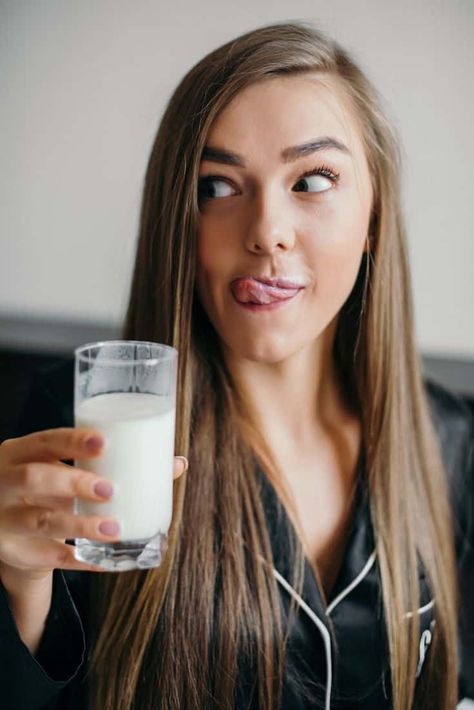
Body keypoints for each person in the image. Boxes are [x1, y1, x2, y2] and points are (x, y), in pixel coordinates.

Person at [0, 21, 472, 710]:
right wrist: (17, 578)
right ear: (179, 221)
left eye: (312, 180)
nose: (265, 231)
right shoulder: (79, 435)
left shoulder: (449, 443)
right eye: (218, 187)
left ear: (374, 216)